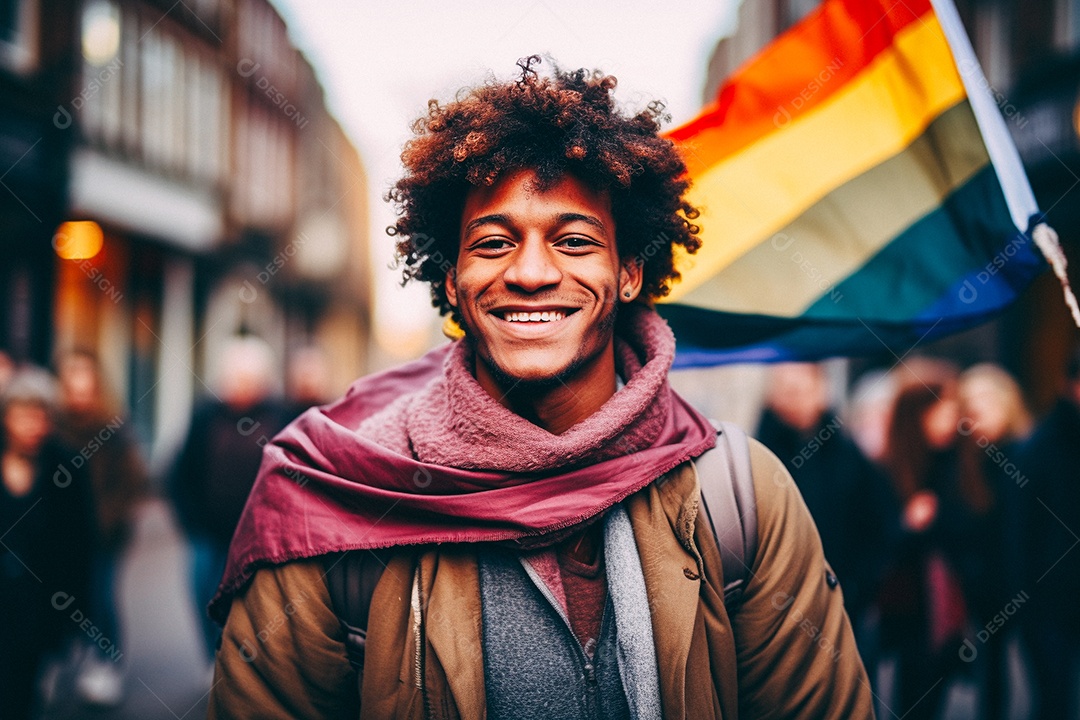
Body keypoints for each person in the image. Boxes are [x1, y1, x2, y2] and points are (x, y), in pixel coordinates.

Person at [207, 57, 874, 719]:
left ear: (630, 273)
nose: (530, 272)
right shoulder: (334, 499)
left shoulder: (741, 497)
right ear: (451, 280)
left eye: (575, 241)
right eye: (493, 243)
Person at [876, 371, 994, 720]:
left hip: (955, 609)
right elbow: (876, 547)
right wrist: (907, 526)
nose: (949, 422)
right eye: (940, 412)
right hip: (909, 612)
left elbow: (977, 529)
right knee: (910, 698)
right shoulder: (889, 471)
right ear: (917, 416)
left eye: (951, 411)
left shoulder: (963, 463)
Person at [168, 334, 291, 664]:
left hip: (260, 538)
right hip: (208, 534)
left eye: (249, 379)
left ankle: (241, 667)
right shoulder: (205, 416)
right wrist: (190, 523)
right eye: (234, 378)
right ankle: (214, 658)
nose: (240, 386)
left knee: (255, 605)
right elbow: (180, 472)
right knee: (202, 595)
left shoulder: (281, 417)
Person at [755, 363, 898, 645]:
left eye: (802, 390)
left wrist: (859, 585)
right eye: (786, 390)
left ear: (821, 393)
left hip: (841, 599)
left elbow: (878, 522)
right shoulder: (757, 453)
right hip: (774, 604)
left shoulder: (848, 455)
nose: (794, 398)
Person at [54, 349, 149, 706]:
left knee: (100, 596)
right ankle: (64, 660)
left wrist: (110, 517)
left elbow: (134, 478)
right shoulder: (53, 425)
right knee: (64, 595)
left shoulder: (113, 427)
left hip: (103, 534)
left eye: (84, 378)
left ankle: (107, 662)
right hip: (61, 532)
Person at [0, 367, 95, 718]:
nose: (31, 425)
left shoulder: (66, 466)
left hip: (39, 604)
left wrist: (75, 614)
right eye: (22, 414)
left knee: (22, 694)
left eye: (40, 415)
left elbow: (80, 545)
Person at [955, 363, 1032, 720]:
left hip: (1025, 580)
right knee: (990, 671)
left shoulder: (1027, 454)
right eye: (971, 408)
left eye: (985, 403)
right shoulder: (967, 459)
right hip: (981, 584)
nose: (978, 415)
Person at [1014, 347, 1080, 720]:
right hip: (1050, 600)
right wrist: (1026, 599)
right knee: (1054, 701)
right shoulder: (1039, 448)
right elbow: (1021, 532)